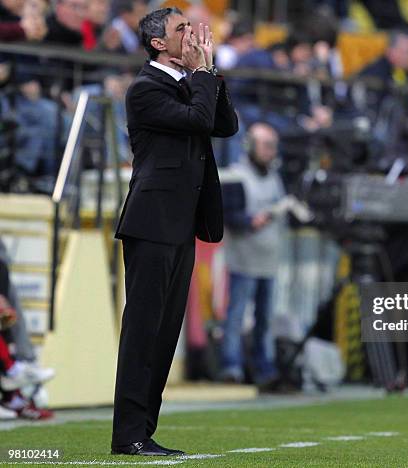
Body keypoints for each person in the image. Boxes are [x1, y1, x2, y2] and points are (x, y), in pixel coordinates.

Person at [111, 7, 238, 456]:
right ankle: (127, 434)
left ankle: (142, 431)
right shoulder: (145, 89)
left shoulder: (190, 85)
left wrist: (209, 73)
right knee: (143, 331)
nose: (193, 35)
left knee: (165, 335)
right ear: (158, 44)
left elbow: (225, 124)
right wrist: (204, 73)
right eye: (181, 29)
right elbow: (201, 121)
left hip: (180, 224)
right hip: (151, 222)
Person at [220, 122, 285, 388]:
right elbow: (231, 217)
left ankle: (264, 369)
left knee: (265, 320)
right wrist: (254, 220)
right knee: (236, 316)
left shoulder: (275, 177)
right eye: (265, 145)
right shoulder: (236, 176)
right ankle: (231, 366)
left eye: (273, 145)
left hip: (269, 262)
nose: (270, 151)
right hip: (244, 259)